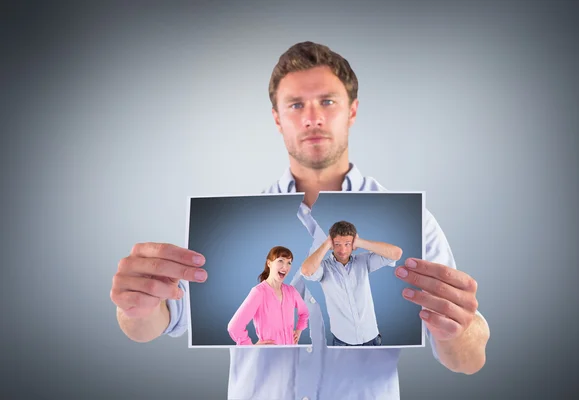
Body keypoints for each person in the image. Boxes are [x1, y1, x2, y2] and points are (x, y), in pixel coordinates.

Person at [110, 41, 490, 399]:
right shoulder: (231, 226)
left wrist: (462, 325)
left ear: (352, 110)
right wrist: (135, 307)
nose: (312, 118)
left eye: (327, 101)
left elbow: (467, 358)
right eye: (295, 105)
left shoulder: (413, 221)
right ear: (277, 118)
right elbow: (157, 319)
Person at [300, 221, 402, 346]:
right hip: (343, 341)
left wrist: (360, 242)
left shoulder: (363, 261)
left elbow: (396, 254)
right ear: (332, 243)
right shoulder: (324, 267)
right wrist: (326, 243)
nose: (342, 250)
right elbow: (306, 270)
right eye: (337, 244)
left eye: (347, 244)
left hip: (372, 338)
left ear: (353, 244)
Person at [227, 246, 309, 346]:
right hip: (268, 356)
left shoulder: (291, 292)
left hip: (290, 354)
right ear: (269, 263)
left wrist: (298, 331)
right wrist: (250, 347)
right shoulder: (259, 292)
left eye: (289, 262)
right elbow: (234, 327)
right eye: (280, 261)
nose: (285, 267)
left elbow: (304, 312)